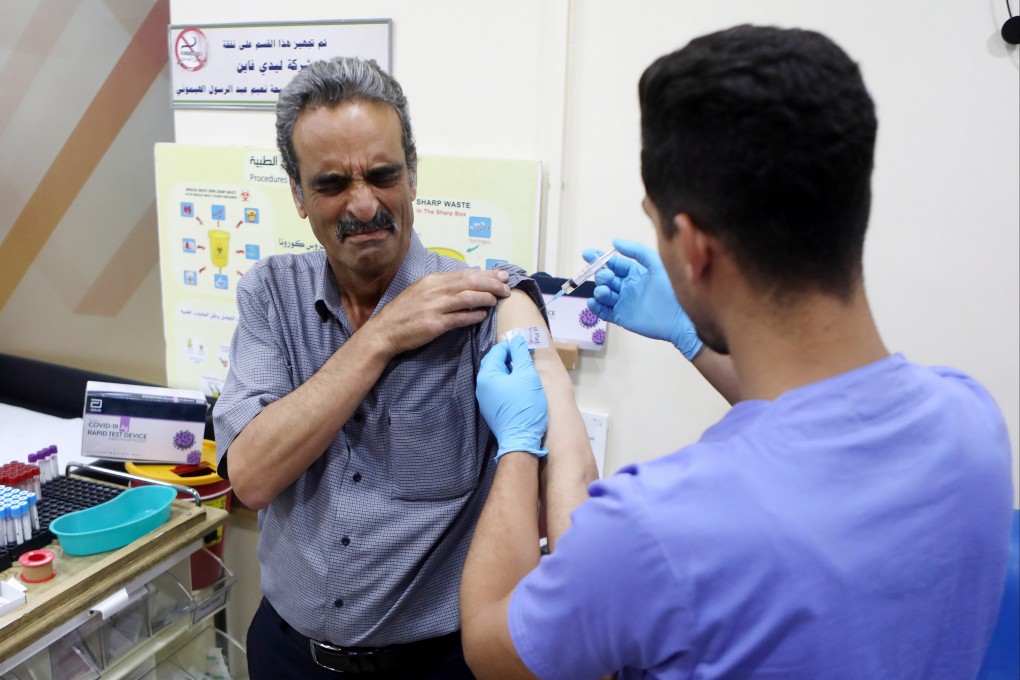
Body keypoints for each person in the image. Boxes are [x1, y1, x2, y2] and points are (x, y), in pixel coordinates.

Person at [460, 24, 1014, 679]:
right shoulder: (973, 421)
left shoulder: (658, 528)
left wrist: (523, 442)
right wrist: (694, 338)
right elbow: (814, 428)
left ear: (693, 248)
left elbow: (496, 643)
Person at [212, 56, 597, 679]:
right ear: (298, 196)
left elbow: (570, 477)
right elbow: (251, 478)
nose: (363, 205)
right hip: (289, 656)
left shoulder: (487, 303)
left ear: (413, 174)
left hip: (438, 665)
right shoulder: (270, 297)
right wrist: (382, 336)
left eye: (383, 175)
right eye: (332, 183)